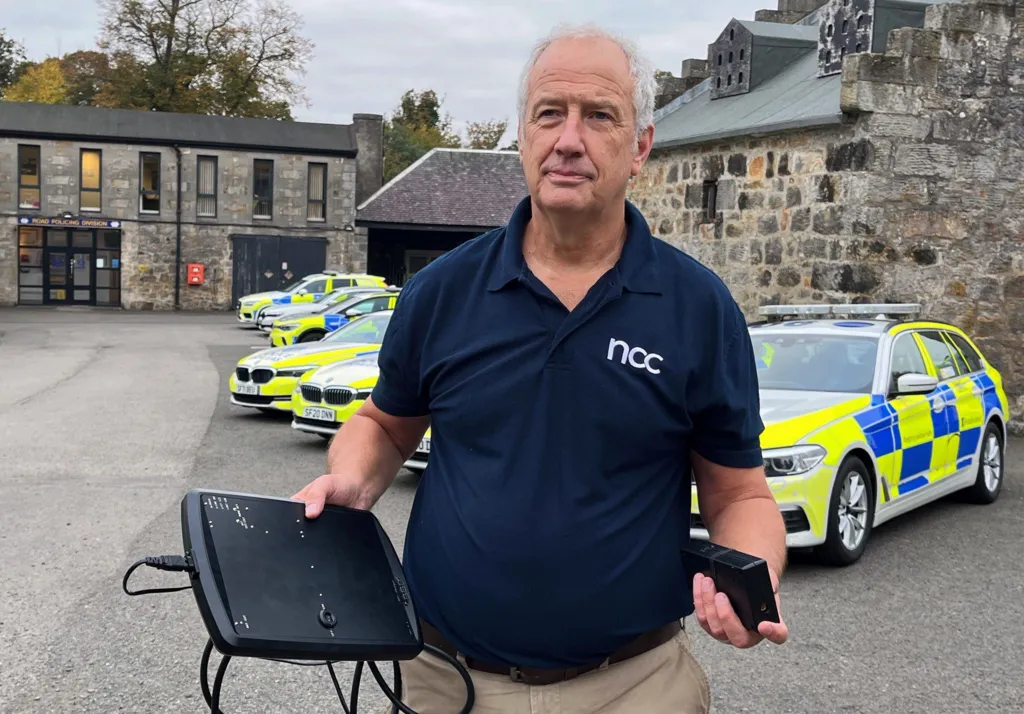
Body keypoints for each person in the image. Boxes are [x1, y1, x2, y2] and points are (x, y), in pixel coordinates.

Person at [292, 23, 789, 714]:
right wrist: (353, 476)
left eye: (600, 116)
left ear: (640, 145)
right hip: (447, 680)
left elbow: (739, 496)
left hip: (635, 686)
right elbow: (384, 425)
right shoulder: (442, 292)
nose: (569, 139)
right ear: (523, 135)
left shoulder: (698, 309)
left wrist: (752, 581)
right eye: (549, 113)